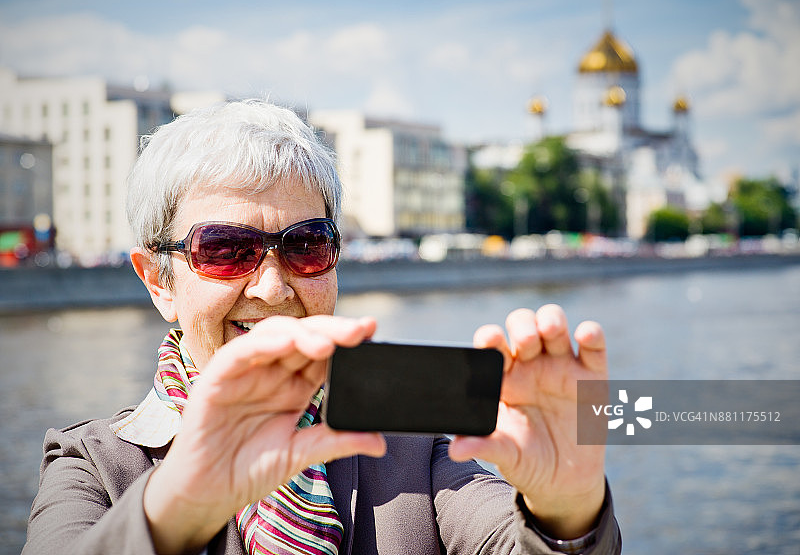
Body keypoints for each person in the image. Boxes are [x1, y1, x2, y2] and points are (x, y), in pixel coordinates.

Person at [24, 100, 621, 554]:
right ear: (158, 281)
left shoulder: (413, 446)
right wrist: (179, 505)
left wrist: (565, 510)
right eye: (226, 249)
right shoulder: (93, 465)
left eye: (306, 245)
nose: (273, 288)